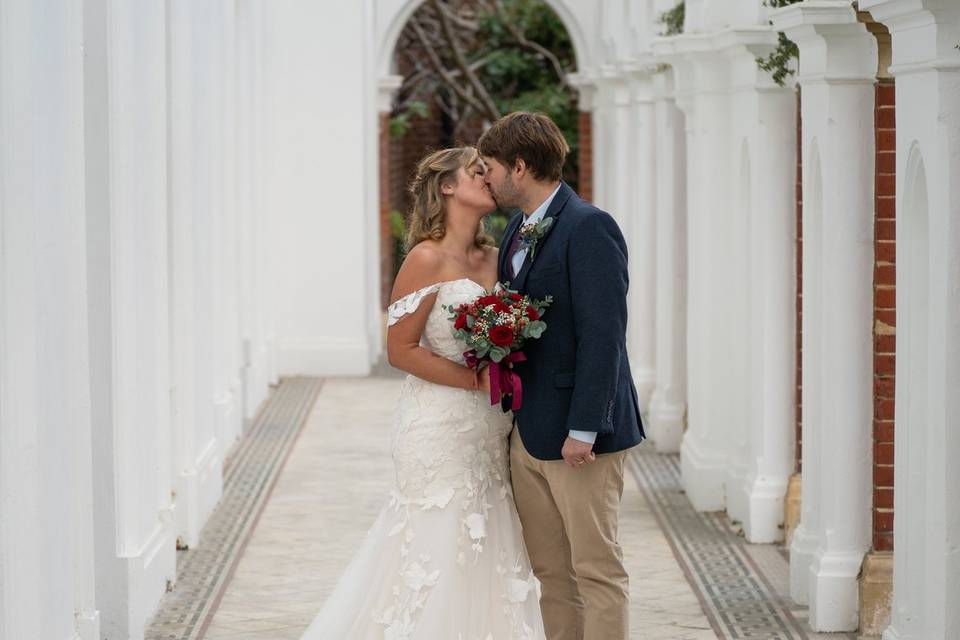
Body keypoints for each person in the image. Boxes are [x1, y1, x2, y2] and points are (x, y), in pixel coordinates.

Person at [299, 146, 546, 639]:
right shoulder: (425, 258)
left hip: (491, 429)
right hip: (439, 427)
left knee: (489, 541)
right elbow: (400, 349)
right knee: (436, 546)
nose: (487, 179)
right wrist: (473, 380)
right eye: (476, 171)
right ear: (448, 186)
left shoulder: (499, 257)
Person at [478, 111, 645, 640]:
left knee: (596, 570)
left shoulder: (589, 226)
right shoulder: (515, 228)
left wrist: (585, 429)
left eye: (491, 167)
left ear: (520, 167)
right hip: (529, 431)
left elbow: (604, 337)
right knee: (551, 573)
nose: (486, 178)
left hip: (580, 438)